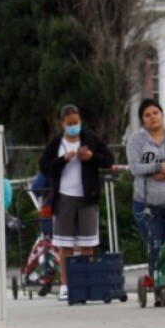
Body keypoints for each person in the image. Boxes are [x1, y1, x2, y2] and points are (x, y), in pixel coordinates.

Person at [39, 104, 115, 301]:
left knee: (87, 243)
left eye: (76, 123)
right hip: (64, 196)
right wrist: (62, 159)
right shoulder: (57, 143)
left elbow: (108, 159)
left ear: (81, 121)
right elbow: (45, 166)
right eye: (69, 123)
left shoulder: (90, 139)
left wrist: (91, 157)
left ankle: (86, 281)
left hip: (87, 196)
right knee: (65, 245)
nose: (74, 126)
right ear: (62, 124)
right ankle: (66, 284)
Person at [128, 98, 165, 277]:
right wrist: (160, 167)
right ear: (142, 120)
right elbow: (136, 168)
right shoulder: (136, 141)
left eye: (155, 113)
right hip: (146, 205)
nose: (152, 117)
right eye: (147, 115)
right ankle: (159, 285)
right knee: (155, 247)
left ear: (162, 114)